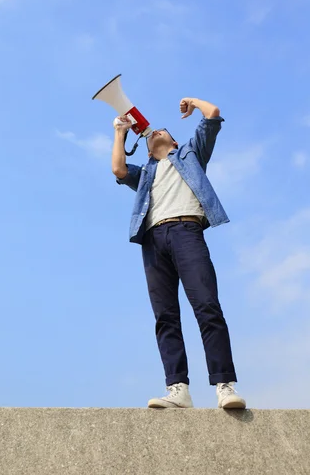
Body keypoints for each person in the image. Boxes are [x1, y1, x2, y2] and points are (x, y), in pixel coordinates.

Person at [112, 97, 246, 409]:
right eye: (150, 133)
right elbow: (118, 169)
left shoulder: (191, 153)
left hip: (187, 232)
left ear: (173, 140)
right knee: (165, 316)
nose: (154, 131)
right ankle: (178, 389)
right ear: (147, 150)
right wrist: (120, 131)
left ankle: (224, 385)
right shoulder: (146, 172)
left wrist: (192, 103)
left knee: (207, 306)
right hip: (153, 240)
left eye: (161, 130)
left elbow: (213, 113)